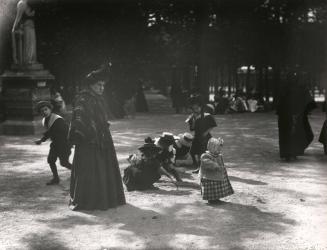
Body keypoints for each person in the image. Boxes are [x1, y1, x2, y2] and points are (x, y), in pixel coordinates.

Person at [68, 66, 126, 210]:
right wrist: (89, 132)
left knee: (103, 166)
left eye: (103, 85)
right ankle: (87, 200)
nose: (101, 88)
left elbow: (100, 117)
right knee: (89, 168)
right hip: (88, 140)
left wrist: (102, 126)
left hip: (103, 137)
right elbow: (78, 119)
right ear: (90, 85)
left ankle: (105, 198)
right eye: (98, 85)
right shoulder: (82, 98)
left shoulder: (97, 97)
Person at [276, 74, 316, 161]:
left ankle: (288, 153)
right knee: (295, 134)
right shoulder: (299, 89)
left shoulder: (285, 89)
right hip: (295, 115)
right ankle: (293, 152)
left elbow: (279, 104)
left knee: (287, 134)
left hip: (286, 115)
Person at [34, 101, 72, 185]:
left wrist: (70, 143)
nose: (44, 112)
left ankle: (78, 172)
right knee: (51, 160)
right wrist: (41, 140)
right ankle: (56, 178)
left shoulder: (57, 119)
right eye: (42, 111)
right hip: (55, 144)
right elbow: (49, 132)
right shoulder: (46, 120)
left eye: (46, 109)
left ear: (50, 109)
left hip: (64, 144)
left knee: (64, 163)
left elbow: (66, 131)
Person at [186, 95, 217, 173]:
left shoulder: (207, 116)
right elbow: (192, 129)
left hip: (205, 137)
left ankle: (201, 168)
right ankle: (197, 165)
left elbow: (212, 125)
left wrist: (206, 133)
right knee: (192, 152)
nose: (196, 110)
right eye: (194, 108)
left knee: (202, 153)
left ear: (200, 107)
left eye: (197, 108)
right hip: (197, 136)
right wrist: (193, 122)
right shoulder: (192, 117)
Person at [199, 137, 234, 204]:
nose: (219, 150)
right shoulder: (205, 155)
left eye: (219, 149)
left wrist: (222, 168)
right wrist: (215, 165)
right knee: (211, 189)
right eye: (217, 149)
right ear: (212, 148)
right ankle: (211, 200)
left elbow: (221, 162)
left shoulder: (219, 156)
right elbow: (207, 162)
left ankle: (217, 199)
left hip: (218, 176)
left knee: (217, 188)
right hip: (209, 177)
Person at [12, 0, 37, 65]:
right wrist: (14, 27)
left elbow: (19, 17)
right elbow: (18, 17)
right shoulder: (22, 3)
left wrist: (14, 27)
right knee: (28, 45)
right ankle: (26, 61)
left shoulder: (26, 3)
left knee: (30, 45)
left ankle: (29, 61)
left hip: (30, 27)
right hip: (26, 27)